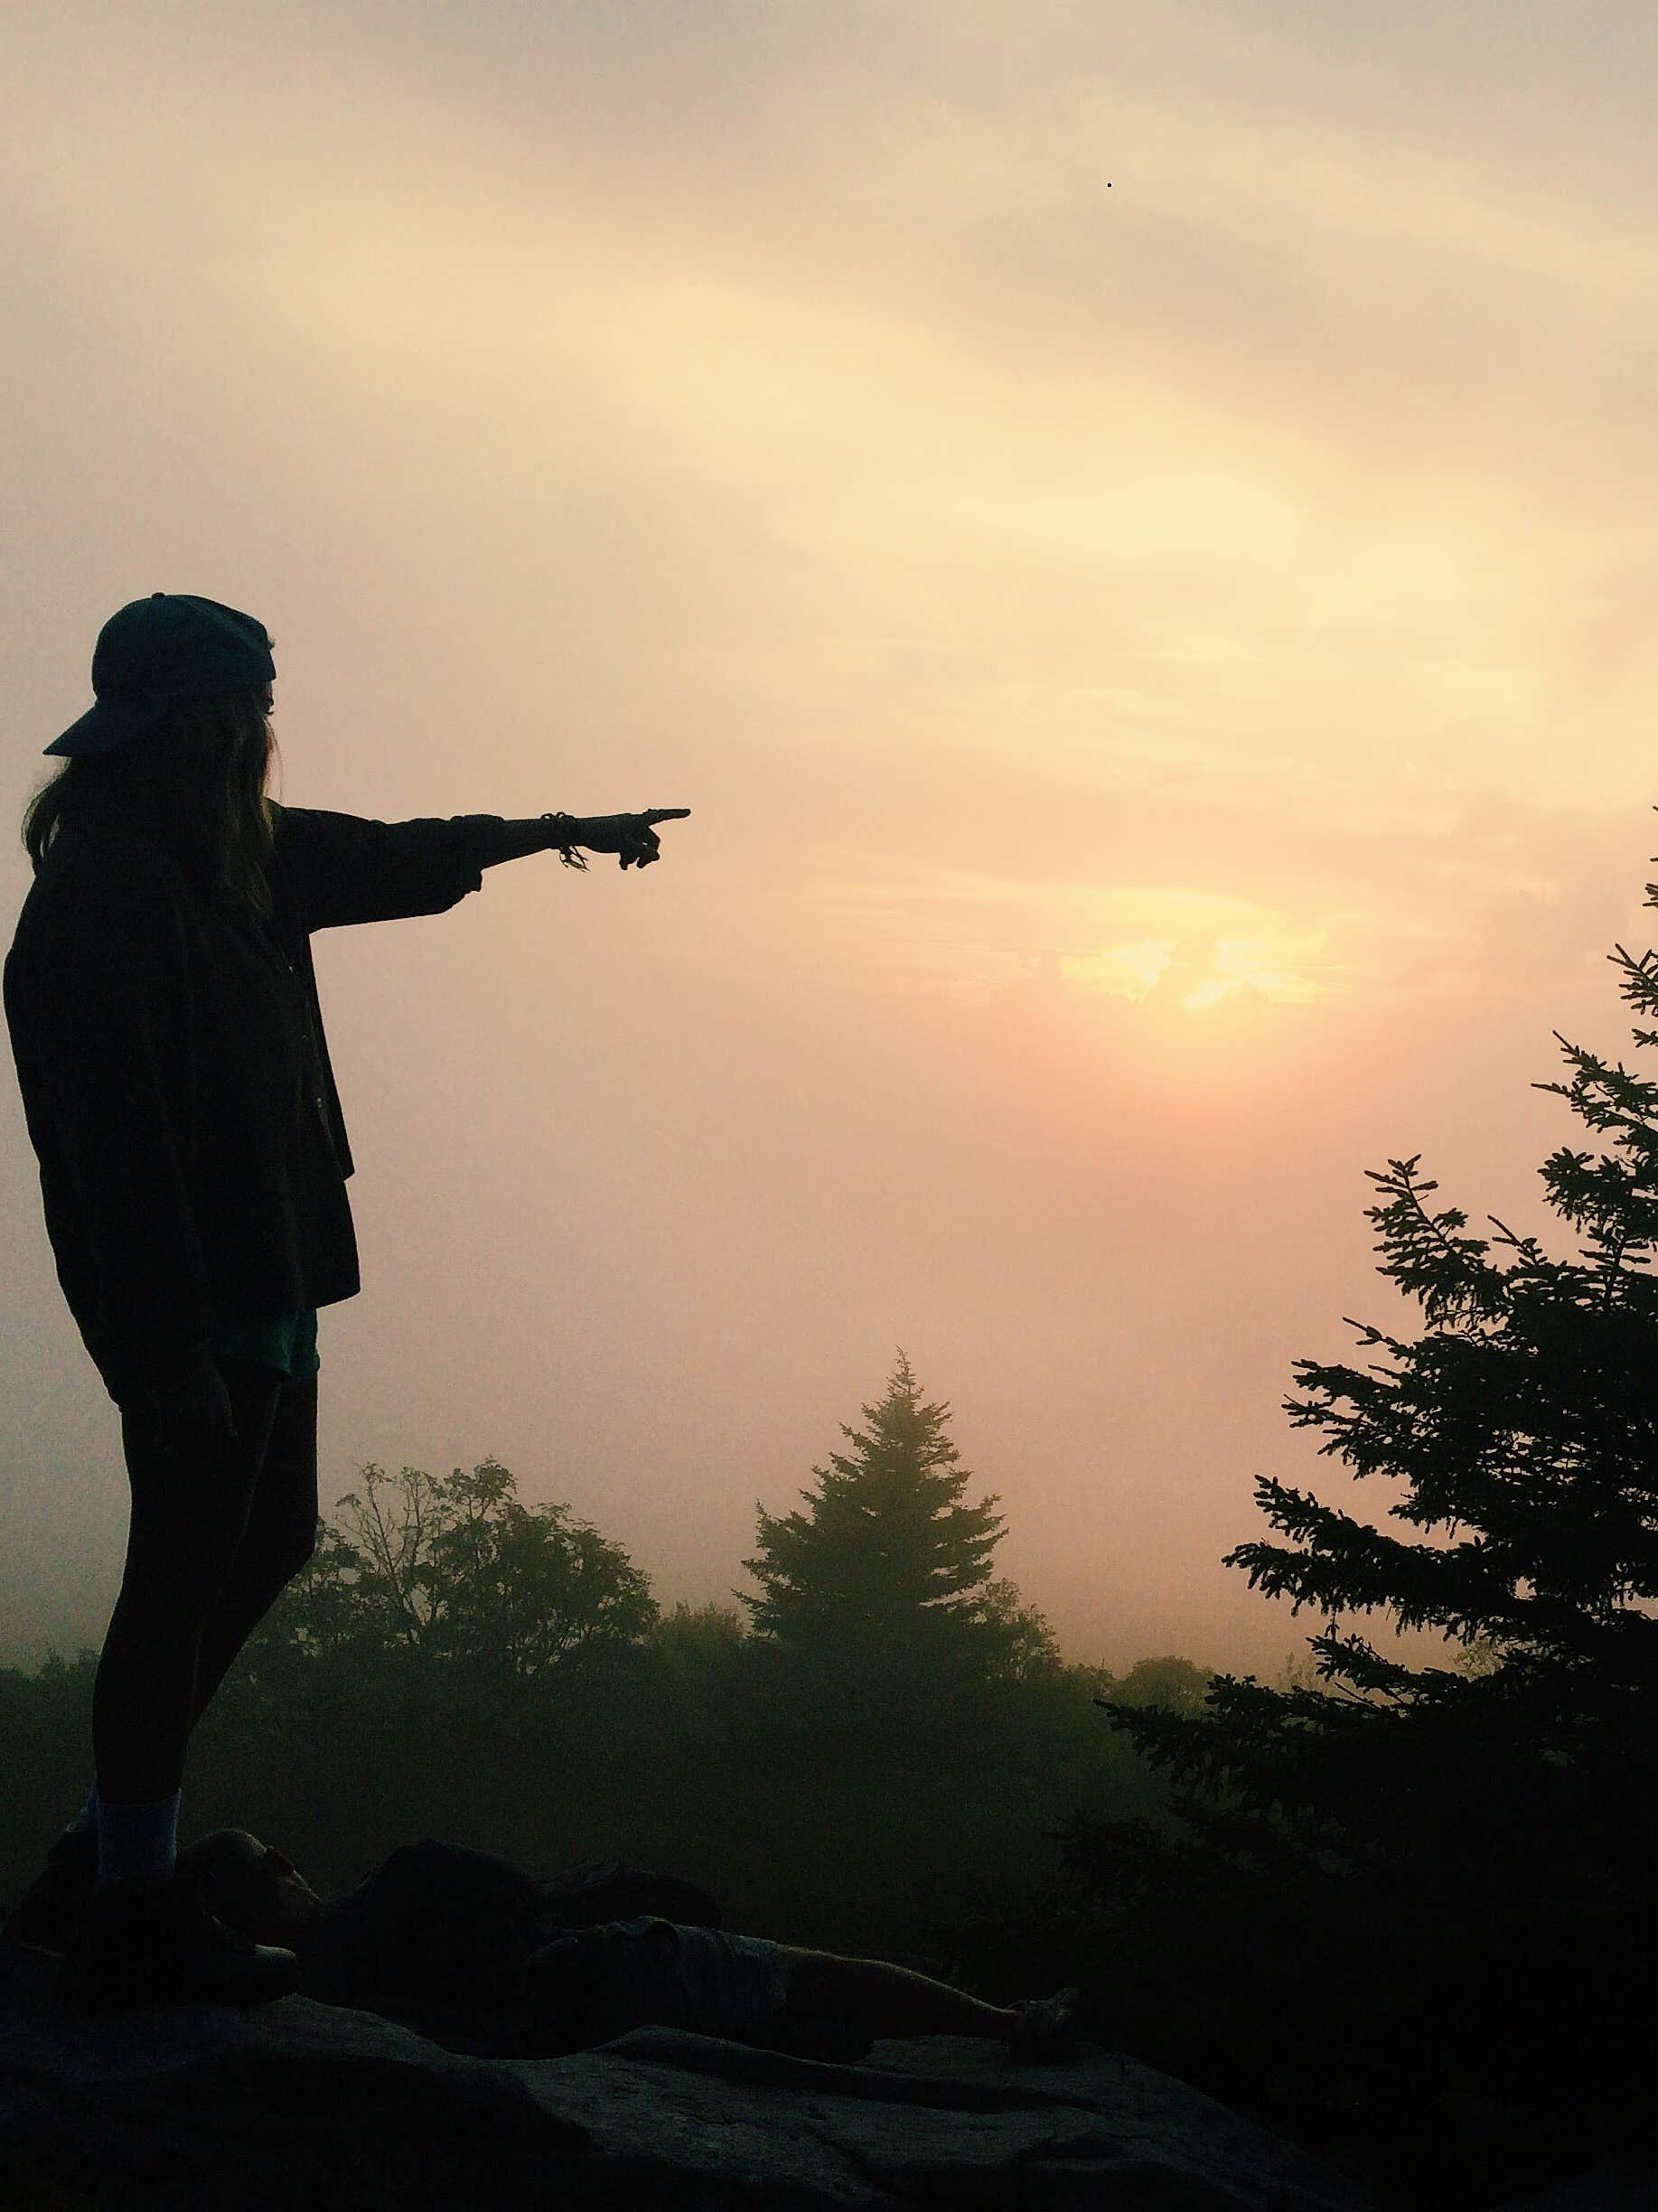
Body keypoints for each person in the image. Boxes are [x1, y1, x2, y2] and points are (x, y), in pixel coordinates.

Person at [2, 593, 690, 2015]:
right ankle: (127, 1902)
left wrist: (551, 828)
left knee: (267, 1542)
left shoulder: (227, 859)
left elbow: (392, 857)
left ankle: (99, 1855)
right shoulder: (107, 895)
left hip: (269, 1265)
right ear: (207, 724)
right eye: (251, 713)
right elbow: (108, 1148)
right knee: (178, 1578)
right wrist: (159, 1351)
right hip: (189, 1297)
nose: (266, 738)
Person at [176, 1831, 1079, 2064]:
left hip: (564, 2031)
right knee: (805, 1973)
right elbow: (530, 1897)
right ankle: (1010, 2026)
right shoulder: (409, 1874)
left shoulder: (316, 1996)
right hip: (603, 1969)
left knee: (785, 2006)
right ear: (282, 1864)